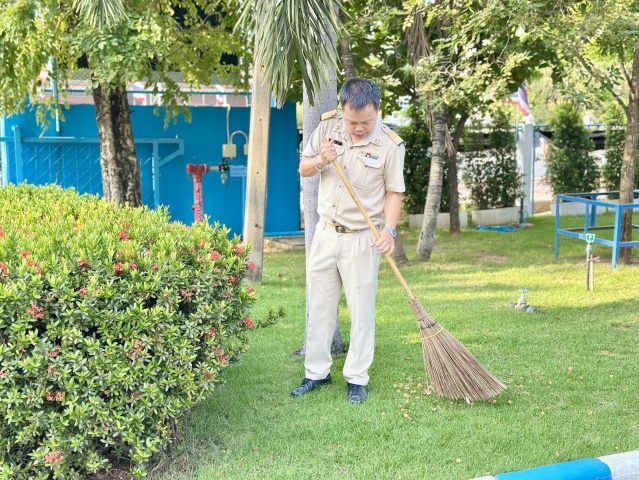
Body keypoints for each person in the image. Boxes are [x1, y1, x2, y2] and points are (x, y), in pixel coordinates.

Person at [293, 78, 405, 404]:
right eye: (352, 121)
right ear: (342, 110)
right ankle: (316, 373)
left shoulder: (390, 145)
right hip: (326, 234)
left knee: (361, 312)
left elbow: (394, 192)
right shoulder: (328, 127)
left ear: (377, 110)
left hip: (362, 239)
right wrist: (320, 160)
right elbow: (304, 168)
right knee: (319, 308)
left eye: (365, 122)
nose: (358, 128)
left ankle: (357, 378)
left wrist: (389, 231)